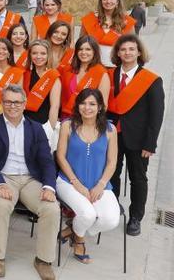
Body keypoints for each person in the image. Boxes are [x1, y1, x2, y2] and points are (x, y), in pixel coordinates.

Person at [0, 84, 59, 280]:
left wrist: (49, 187)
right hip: (3, 176)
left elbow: (46, 161)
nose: (12, 106)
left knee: (52, 208)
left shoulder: (36, 129)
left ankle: (43, 260)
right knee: (1, 203)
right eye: (7, 101)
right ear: (2, 103)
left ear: (24, 104)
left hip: (30, 178)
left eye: (16, 102)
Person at [107, 34, 164, 236]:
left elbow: (156, 116)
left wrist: (150, 144)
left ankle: (136, 217)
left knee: (138, 178)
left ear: (139, 52)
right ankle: (112, 207)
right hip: (112, 134)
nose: (127, 53)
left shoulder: (151, 80)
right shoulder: (110, 75)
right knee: (111, 172)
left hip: (138, 139)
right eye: (123, 49)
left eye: (131, 49)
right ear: (118, 53)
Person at [56, 89, 121, 264]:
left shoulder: (110, 130)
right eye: (83, 103)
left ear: (100, 107)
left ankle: (73, 229)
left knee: (111, 220)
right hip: (68, 182)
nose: (87, 107)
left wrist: (101, 184)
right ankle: (79, 241)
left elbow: (112, 162)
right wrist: (76, 183)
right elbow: (60, 156)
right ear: (78, 106)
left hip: (99, 184)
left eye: (92, 104)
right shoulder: (68, 125)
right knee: (88, 214)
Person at [79, 0, 135, 67]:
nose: (108, 1)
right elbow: (81, 43)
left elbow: (133, 46)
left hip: (118, 66)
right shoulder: (89, 19)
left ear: (117, 2)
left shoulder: (127, 22)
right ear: (101, 2)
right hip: (92, 65)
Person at [60, 36, 110, 121]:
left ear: (94, 51)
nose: (83, 52)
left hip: (88, 121)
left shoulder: (101, 73)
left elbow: (103, 105)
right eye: (80, 49)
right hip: (66, 119)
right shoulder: (68, 70)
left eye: (88, 49)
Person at [23, 40, 61, 149]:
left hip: (44, 124)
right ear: (30, 55)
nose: (38, 57)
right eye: (34, 53)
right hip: (25, 123)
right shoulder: (25, 74)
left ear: (48, 55)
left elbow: (55, 106)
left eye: (43, 53)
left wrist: (50, 129)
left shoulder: (53, 76)